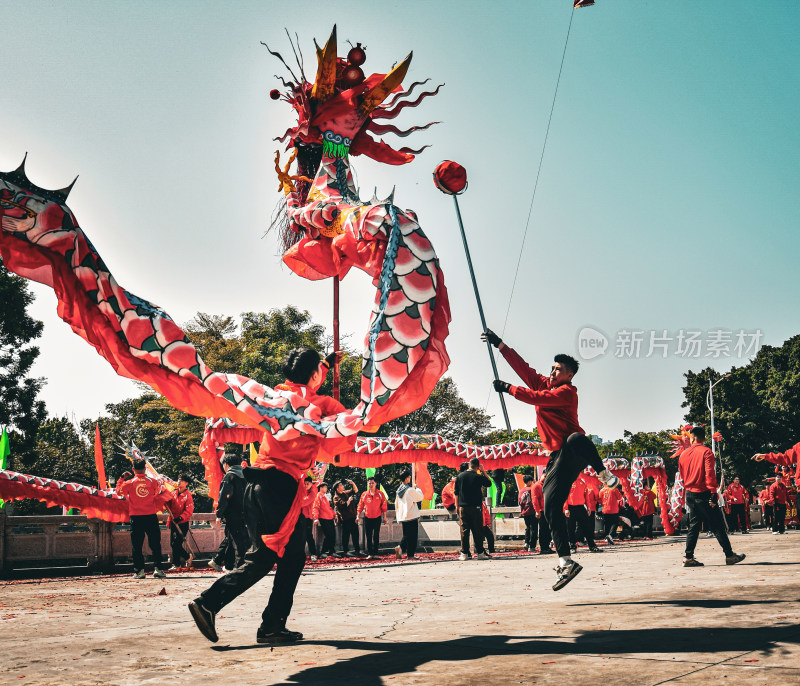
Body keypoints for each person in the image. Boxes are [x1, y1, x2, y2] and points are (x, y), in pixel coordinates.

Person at [189, 347, 343, 645]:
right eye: (319, 372)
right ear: (314, 375)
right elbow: (350, 423)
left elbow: (304, 386)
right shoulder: (319, 403)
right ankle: (210, 602)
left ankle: (272, 624)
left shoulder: (273, 397)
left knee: (293, 556)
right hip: (282, 489)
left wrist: (325, 363)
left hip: (257, 484)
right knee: (264, 557)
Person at [483, 328, 619, 590]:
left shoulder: (567, 392)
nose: (554, 372)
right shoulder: (545, 382)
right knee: (550, 507)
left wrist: (508, 389)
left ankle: (603, 473)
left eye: (559, 369)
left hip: (574, 451)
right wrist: (500, 344)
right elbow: (524, 368)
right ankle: (566, 561)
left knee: (575, 438)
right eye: (553, 368)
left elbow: (536, 398)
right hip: (557, 458)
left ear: (569, 374)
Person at [678, 426, 745, 567]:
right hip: (703, 493)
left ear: (693, 437)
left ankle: (688, 557)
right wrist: (714, 493)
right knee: (717, 525)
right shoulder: (706, 452)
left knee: (694, 525)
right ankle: (729, 555)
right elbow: (709, 474)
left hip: (690, 493)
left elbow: (682, 476)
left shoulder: (683, 455)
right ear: (702, 438)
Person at [116, 459, 169, 579]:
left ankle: (139, 571)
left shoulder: (129, 482)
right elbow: (157, 492)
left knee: (137, 545)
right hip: (151, 516)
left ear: (133, 469)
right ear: (145, 468)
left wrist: (121, 478)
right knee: (155, 544)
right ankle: (158, 569)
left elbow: (118, 492)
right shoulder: (153, 481)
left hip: (136, 517)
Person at [209, 453, 250, 571]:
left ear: (226, 464)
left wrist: (219, 514)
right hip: (245, 513)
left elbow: (224, 498)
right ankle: (228, 566)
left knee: (237, 541)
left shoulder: (229, 477)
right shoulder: (245, 475)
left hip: (233, 514)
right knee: (232, 538)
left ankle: (240, 566)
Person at [454, 457, 493, 560]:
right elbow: (489, 483)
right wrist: (483, 471)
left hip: (463, 507)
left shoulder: (460, 476)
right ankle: (480, 552)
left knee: (464, 531)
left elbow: (456, 493)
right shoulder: (478, 476)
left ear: (469, 465)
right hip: (476, 507)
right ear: (477, 466)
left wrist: (457, 506)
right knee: (477, 530)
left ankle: (464, 553)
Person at [564, 477, 600, 553]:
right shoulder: (567, 481)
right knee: (570, 528)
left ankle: (592, 545)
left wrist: (589, 507)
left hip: (581, 507)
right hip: (571, 508)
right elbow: (564, 496)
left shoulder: (582, 482)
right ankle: (572, 545)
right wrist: (566, 508)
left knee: (587, 527)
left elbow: (586, 495)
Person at [394, 470, 424, 559]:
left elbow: (396, 503)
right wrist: (417, 488)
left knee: (406, 535)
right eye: (409, 477)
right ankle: (410, 554)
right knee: (413, 536)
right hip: (411, 515)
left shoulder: (398, 490)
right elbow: (420, 497)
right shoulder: (410, 490)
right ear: (407, 478)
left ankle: (400, 547)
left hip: (403, 516)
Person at [168, 474, 195, 571]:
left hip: (182, 523)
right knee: (173, 543)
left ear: (186, 483)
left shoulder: (188, 496)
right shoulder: (173, 493)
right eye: (178, 479)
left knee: (176, 543)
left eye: (182, 480)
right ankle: (178, 563)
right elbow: (168, 503)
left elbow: (189, 511)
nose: (179, 482)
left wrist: (180, 518)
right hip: (173, 521)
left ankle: (181, 561)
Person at [358, 476, 388, 558]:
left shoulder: (380, 494)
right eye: (369, 483)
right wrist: (357, 517)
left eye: (372, 483)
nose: (371, 485)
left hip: (377, 517)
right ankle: (370, 553)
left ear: (375, 484)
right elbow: (360, 506)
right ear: (367, 484)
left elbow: (384, 506)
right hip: (367, 517)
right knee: (368, 535)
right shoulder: (364, 494)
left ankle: (376, 553)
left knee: (376, 536)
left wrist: (385, 517)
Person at [333, 479, 364, 557]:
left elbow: (355, 490)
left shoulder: (345, 493)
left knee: (355, 535)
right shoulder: (336, 497)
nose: (343, 486)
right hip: (345, 519)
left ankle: (357, 550)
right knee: (346, 535)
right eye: (341, 485)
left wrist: (353, 483)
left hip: (353, 517)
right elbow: (343, 506)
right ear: (337, 488)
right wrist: (349, 500)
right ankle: (346, 551)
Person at [312, 482, 337, 558]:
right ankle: (323, 552)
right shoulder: (318, 496)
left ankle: (331, 551)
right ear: (321, 488)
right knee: (329, 535)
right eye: (325, 487)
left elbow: (329, 508)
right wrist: (316, 518)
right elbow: (315, 508)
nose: (326, 488)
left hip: (329, 518)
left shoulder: (325, 497)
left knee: (333, 535)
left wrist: (334, 515)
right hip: (323, 518)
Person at [531, 471, 553, 554]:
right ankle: (543, 547)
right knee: (543, 529)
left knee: (548, 529)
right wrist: (537, 511)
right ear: (543, 475)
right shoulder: (536, 486)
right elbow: (535, 499)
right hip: (541, 510)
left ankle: (547, 546)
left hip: (547, 510)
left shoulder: (546, 485)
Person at [300, 476, 318, 561]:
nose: (306, 485)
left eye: (308, 484)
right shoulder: (302, 491)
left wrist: (297, 501)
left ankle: (313, 554)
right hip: (300, 517)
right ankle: (300, 554)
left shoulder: (313, 492)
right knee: (300, 536)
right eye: (305, 483)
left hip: (308, 517)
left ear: (311, 484)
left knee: (308, 536)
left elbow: (304, 502)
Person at [518, 474, 536, 551]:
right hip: (532, 510)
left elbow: (520, 502)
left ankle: (526, 542)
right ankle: (532, 546)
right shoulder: (531, 489)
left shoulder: (521, 491)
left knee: (528, 528)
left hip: (524, 511)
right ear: (529, 482)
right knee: (534, 528)